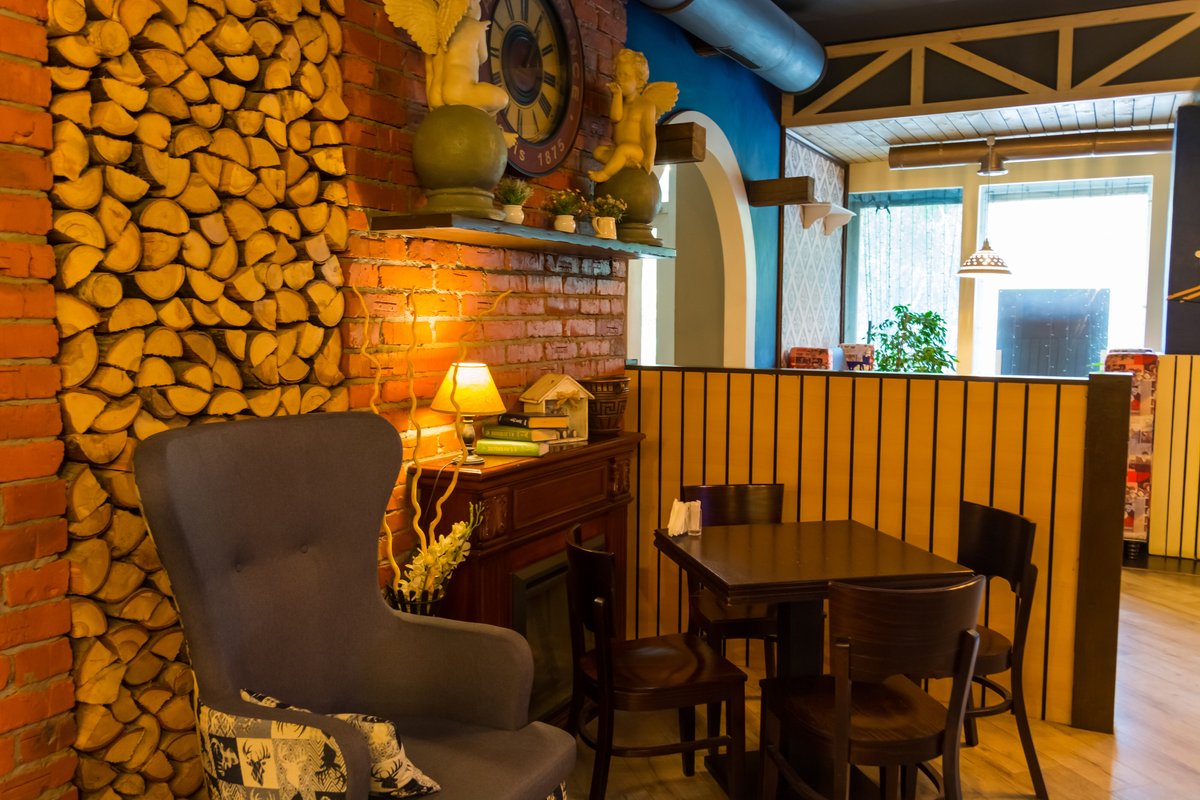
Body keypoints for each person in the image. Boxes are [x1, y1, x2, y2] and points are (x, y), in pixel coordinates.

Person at [589, 49, 678, 183]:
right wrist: (616, 95)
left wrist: (649, 158)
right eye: (617, 75)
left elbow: (649, 134)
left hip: (637, 152)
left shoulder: (646, 105)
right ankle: (626, 163)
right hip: (619, 150)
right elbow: (615, 118)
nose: (619, 80)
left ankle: (605, 174)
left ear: (639, 82)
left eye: (625, 76)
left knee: (623, 149)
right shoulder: (620, 103)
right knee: (598, 151)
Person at [427, 0, 509, 114]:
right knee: (503, 99)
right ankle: (483, 119)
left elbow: (429, 72)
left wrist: (431, 107)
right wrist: (481, 29)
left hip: (436, 97)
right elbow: (483, 56)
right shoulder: (475, 26)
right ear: (469, 6)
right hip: (460, 91)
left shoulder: (436, 34)